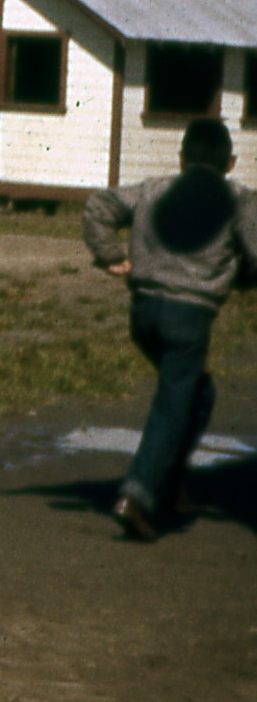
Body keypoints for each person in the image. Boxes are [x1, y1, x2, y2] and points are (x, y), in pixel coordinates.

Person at [84, 117, 257, 540]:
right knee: (173, 405)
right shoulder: (240, 200)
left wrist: (110, 254)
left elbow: (98, 206)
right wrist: (243, 277)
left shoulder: (152, 188)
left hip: (143, 314)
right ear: (231, 163)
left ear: (181, 159)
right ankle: (138, 495)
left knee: (197, 395)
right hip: (189, 318)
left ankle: (171, 479)